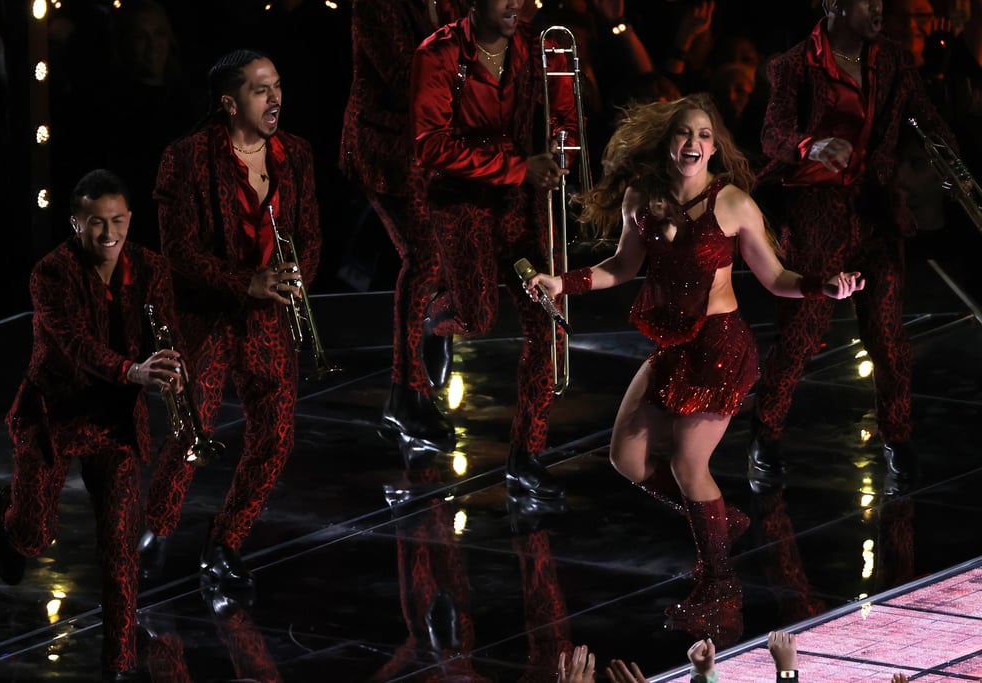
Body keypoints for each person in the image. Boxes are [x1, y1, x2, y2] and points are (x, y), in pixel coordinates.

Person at [528, 93, 863, 641]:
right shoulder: (643, 197)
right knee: (627, 458)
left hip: (720, 346)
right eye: (684, 133)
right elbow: (621, 266)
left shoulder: (732, 204)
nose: (693, 143)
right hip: (674, 345)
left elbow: (776, 278)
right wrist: (562, 282)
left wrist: (822, 286)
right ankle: (718, 521)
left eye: (704, 135)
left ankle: (721, 589)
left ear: (714, 147)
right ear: (668, 142)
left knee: (688, 464)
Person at [748, 0, 956, 488]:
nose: (878, 10)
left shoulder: (894, 60)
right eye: (867, 2)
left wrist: (951, 161)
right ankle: (766, 437)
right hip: (816, 210)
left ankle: (898, 439)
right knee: (801, 335)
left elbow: (925, 116)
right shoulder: (795, 64)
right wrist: (811, 145)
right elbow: (772, 133)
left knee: (887, 334)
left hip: (874, 210)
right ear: (834, 6)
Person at [0, 169, 186, 681]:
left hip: (115, 421)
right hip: (56, 415)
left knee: (121, 551)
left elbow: (164, 330)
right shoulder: (49, 275)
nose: (107, 234)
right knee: (35, 537)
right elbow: (75, 344)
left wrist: (170, 366)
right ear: (75, 223)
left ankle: (117, 667)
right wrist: (133, 371)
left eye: (117, 221)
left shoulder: (152, 267)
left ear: (129, 219)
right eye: (96, 223)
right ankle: (9, 519)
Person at [139, 49, 321, 589]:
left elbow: (310, 235)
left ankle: (226, 541)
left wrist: (295, 279)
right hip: (208, 315)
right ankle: (156, 529)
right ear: (228, 102)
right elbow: (180, 253)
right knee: (192, 433)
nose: (275, 98)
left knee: (277, 436)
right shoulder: (186, 159)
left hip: (269, 316)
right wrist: (246, 282)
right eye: (261, 90)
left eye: (278, 86)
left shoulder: (298, 155)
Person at [409, 0, 580, 499]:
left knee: (547, 324)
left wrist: (562, 148)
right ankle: (436, 320)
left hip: (522, 204)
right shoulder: (438, 53)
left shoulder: (537, 46)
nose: (518, 4)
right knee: (478, 315)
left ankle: (527, 454)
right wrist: (518, 168)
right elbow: (431, 146)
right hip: (460, 201)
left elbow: (563, 117)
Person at [339, 0, 466, 450]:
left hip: (436, 144)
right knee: (426, 254)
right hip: (388, 145)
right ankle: (405, 390)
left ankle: (432, 326)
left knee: (456, 243)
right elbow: (405, 79)